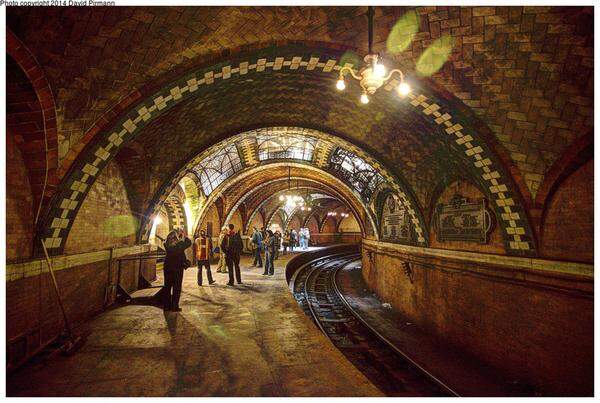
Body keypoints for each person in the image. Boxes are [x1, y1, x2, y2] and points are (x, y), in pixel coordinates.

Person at [163, 228, 191, 312]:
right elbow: (189, 243)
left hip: (167, 268)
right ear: (175, 238)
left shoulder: (166, 245)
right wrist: (185, 235)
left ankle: (166, 306)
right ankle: (174, 306)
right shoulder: (179, 245)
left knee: (167, 287)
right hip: (177, 269)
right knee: (177, 287)